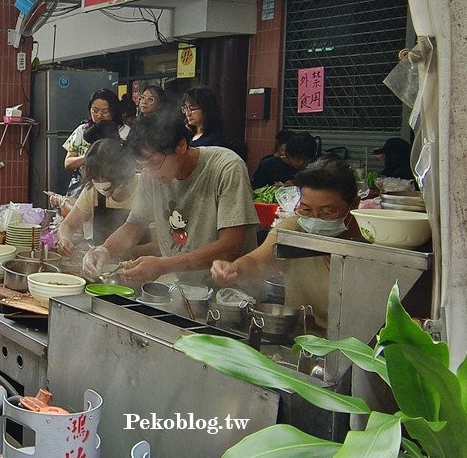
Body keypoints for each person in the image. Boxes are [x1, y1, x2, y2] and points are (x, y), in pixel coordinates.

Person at [83, 111, 259, 287]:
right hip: (183, 290)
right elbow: (134, 226)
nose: (150, 175)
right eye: (143, 167)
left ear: (181, 146)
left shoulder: (226, 168)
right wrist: (104, 250)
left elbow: (230, 246)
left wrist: (164, 265)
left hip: (232, 295)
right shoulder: (149, 175)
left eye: (153, 163)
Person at [211, 159, 363, 331]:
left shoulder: (369, 238)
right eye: (306, 209)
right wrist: (234, 269)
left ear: (354, 204)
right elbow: (259, 261)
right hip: (303, 336)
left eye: (327, 211)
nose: (314, 218)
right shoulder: (294, 228)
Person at [55, 138, 144, 257]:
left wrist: (113, 252)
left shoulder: (145, 188)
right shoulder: (93, 189)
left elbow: (158, 245)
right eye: (95, 178)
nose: (100, 183)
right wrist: (64, 240)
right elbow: (67, 225)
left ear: (121, 172)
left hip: (140, 266)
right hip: (99, 265)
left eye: (104, 177)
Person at [63, 89, 129, 182]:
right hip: (85, 184)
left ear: (114, 111)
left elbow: (130, 164)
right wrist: (89, 156)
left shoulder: (125, 132)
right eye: (95, 111)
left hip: (117, 185)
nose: (99, 115)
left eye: (105, 111)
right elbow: (68, 163)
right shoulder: (83, 130)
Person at [251, 132, 318, 189]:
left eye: (306, 159)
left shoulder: (313, 170)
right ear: (288, 154)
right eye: (297, 158)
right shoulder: (268, 166)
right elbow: (255, 190)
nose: (301, 162)